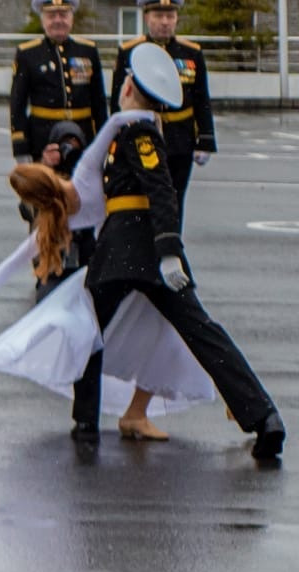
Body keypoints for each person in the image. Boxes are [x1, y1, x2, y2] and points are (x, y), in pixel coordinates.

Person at [76, 45, 279, 461]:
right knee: (203, 333)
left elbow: (162, 192)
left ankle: (84, 422)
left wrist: (169, 251)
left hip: (131, 248)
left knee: (87, 332)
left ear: (129, 85)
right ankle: (263, 416)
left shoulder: (137, 131)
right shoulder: (133, 129)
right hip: (141, 248)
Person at [0, 121, 194, 443]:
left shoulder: (79, 181)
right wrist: (146, 111)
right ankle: (127, 414)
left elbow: (15, 259)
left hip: (118, 263)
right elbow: (112, 124)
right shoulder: (64, 208)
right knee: (154, 330)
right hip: (120, 263)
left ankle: (119, 415)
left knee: (125, 333)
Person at [111, 0, 211, 209]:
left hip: (179, 138)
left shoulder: (191, 53)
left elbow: (202, 99)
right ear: (147, 18)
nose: (165, 22)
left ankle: (172, 240)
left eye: (170, 16)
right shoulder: (129, 52)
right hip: (142, 135)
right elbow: (116, 101)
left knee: (175, 199)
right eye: (158, 16)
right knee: (143, 197)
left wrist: (205, 140)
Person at [10, 0, 104, 166]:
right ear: (42, 20)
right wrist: (21, 148)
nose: (58, 20)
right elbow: (17, 105)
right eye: (51, 15)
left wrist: (103, 143)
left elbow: (99, 103)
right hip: (42, 141)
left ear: (72, 17)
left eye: (63, 14)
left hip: (83, 140)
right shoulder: (28, 54)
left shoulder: (88, 51)